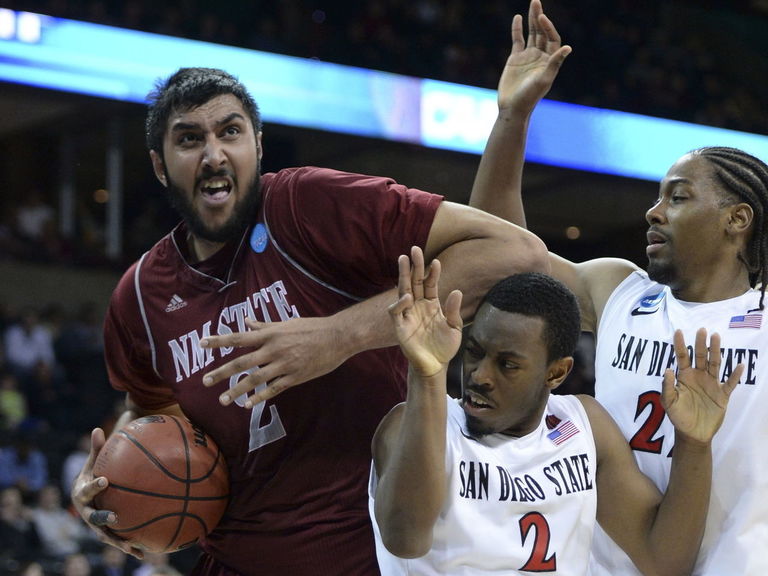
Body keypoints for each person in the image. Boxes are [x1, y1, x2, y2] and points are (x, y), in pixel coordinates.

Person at [70, 6, 553, 573]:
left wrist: (339, 336)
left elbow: (516, 254)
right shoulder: (141, 297)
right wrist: (112, 480)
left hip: (376, 554)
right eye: (188, 139)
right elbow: (149, 408)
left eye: (231, 132)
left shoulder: (307, 205)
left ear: (257, 144)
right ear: (159, 165)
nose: (214, 153)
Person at [468, 4, 768, 574]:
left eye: (678, 197)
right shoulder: (620, 291)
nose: (653, 212)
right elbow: (500, 255)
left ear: (737, 219)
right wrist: (512, 116)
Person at [370, 247, 740, 575]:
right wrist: (427, 375)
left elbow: (664, 562)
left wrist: (693, 441)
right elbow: (405, 540)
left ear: (557, 372)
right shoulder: (411, 425)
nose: (480, 376)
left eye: (507, 365)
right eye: (474, 352)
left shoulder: (583, 426)